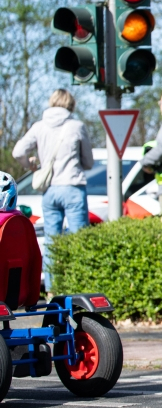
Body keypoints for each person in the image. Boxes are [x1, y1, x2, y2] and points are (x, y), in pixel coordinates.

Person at [13, 89, 93, 294]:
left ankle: (52, 289)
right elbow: (89, 162)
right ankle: (78, 285)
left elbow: (18, 151)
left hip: (49, 191)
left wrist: (31, 164)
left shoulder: (39, 127)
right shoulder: (77, 126)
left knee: (51, 241)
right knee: (78, 240)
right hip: (73, 187)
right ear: (71, 105)